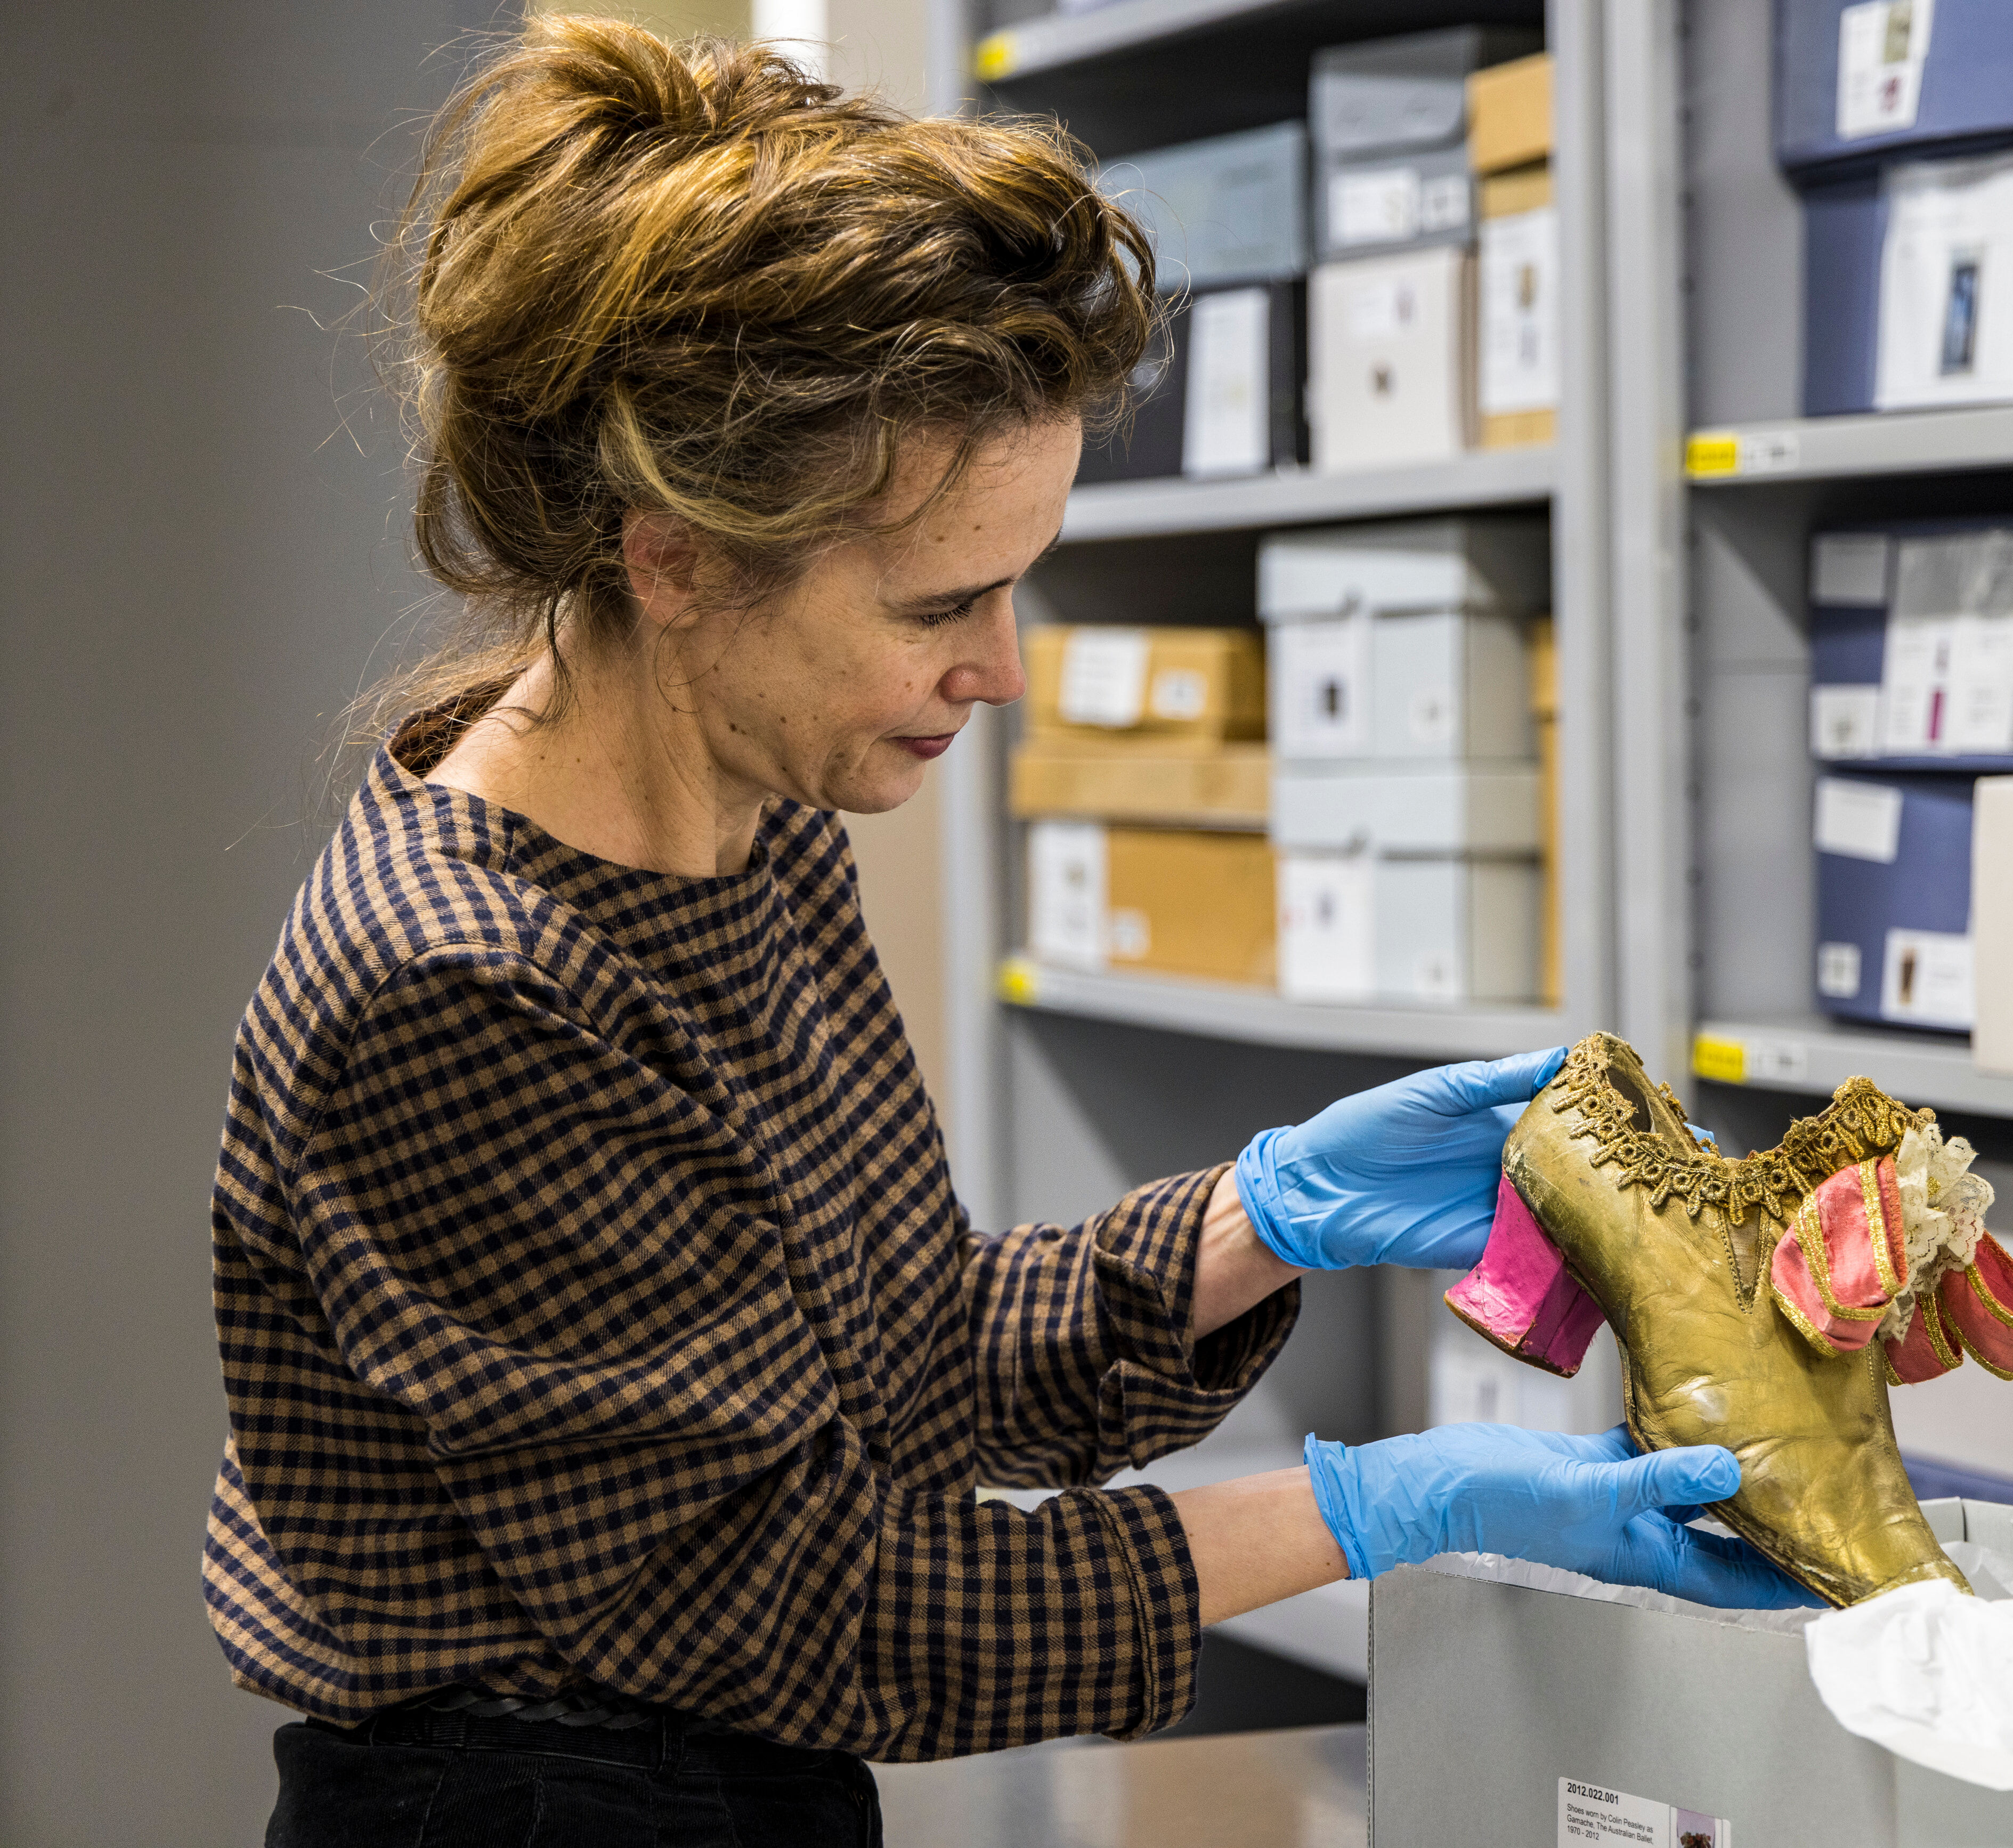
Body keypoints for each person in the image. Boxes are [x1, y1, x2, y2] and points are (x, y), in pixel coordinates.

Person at [205, 19, 1805, 1845]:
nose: (1002, 669)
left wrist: (1256, 1219)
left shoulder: (751, 825)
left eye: (1020, 580)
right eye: (942, 599)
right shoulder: (464, 985)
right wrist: (1378, 1512)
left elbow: (886, 1362)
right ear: (680, 560)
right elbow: (814, 1606)